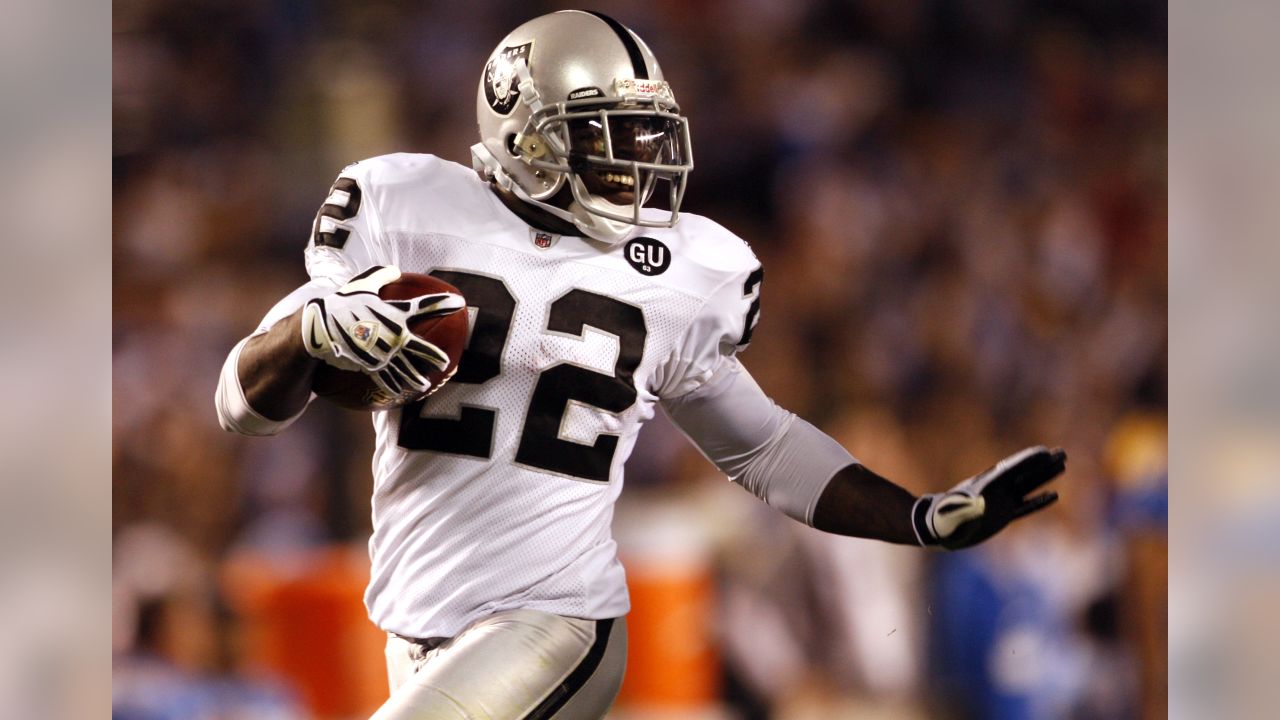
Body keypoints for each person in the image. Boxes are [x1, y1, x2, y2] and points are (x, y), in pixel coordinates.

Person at [215, 10, 1067, 719]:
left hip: (560, 622)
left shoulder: (681, 273)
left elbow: (762, 446)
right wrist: (311, 334)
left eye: (647, 136)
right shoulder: (407, 207)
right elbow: (243, 402)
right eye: (607, 137)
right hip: (419, 628)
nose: (639, 164)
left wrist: (916, 517)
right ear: (526, 132)